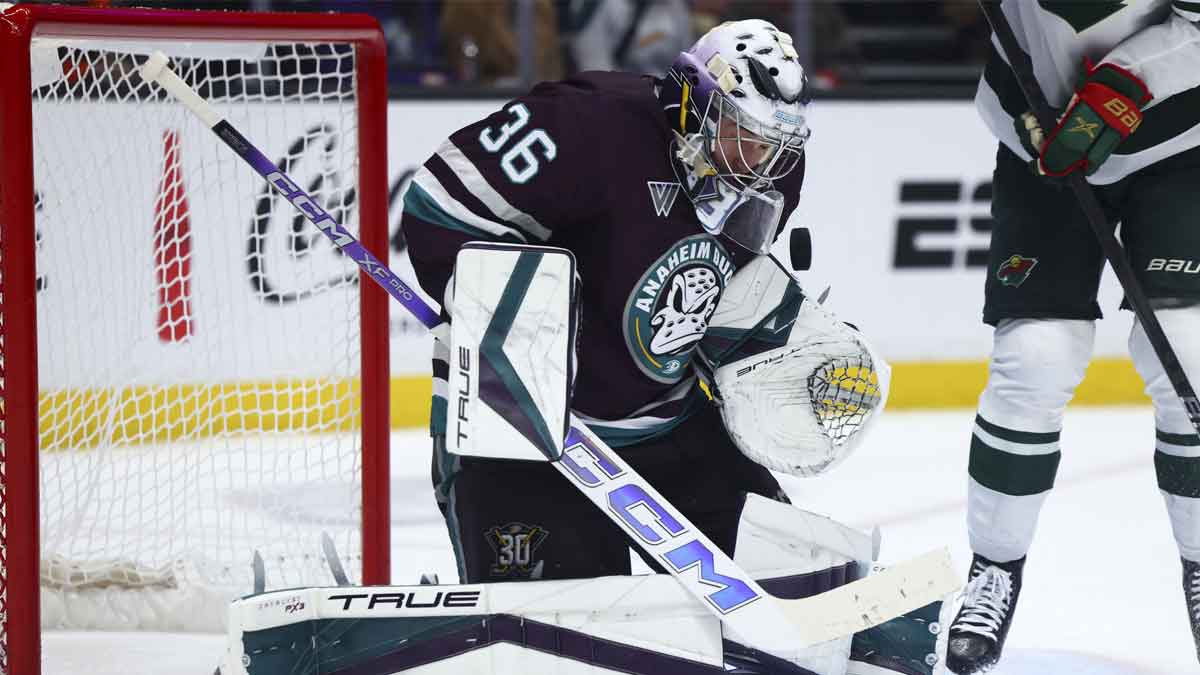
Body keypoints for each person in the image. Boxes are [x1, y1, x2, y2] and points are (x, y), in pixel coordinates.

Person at [401, 17, 809, 588]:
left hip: (665, 420)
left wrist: (764, 346)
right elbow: (441, 205)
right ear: (695, 104)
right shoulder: (590, 123)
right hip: (520, 428)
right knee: (564, 634)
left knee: (796, 580)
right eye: (745, 134)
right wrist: (506, 318)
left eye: (777, 144)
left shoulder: (773, 174)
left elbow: (725, 286)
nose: (760, 160)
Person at [951, 2, 1200, 673]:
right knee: (1034, 357)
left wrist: (1124, 85)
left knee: (1188, 352)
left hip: (1179, 140)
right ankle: (994, 568)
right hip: (1042, 130)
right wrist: (1040, 106)